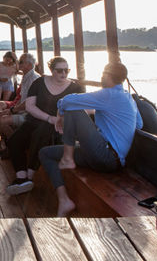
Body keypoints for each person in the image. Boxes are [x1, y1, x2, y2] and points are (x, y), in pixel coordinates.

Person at [39, 62, 143, 217]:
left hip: (106, 156)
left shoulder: (109, 94)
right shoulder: (128, 98)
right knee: (46, 153)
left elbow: (67, 101)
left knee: (74, 111)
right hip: (105, 156)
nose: (101, 77)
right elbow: (139, 125)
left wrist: (60, 114)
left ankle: (67, 158)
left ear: (108, 76)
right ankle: (64, 200)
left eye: (103, 74)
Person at [6, 56, 83, 196]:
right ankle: (21, 176)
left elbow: (85, 109)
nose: (64, 74)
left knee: (41, 134)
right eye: (59, 71)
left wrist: (60, 119)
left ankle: (28, 177)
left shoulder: (75, 87)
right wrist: (49, 118)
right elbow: (29, 106)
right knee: (14, 140)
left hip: (58, 127)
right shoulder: (39, 82)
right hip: (35, 120)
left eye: (67, 70)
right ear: (51, 70)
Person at [0, 53, 40, 152]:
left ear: (29, 65)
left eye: (21, 62)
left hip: (29, 115)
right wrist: (12, 109)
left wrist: (12, 110)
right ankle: (10, 144)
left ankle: (14, 147)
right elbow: (23, 99)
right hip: (23, 109)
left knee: (2, 119)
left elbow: (28, 102)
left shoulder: (32, 79)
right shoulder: (27, 76)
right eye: (18, 61)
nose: (18, 63)